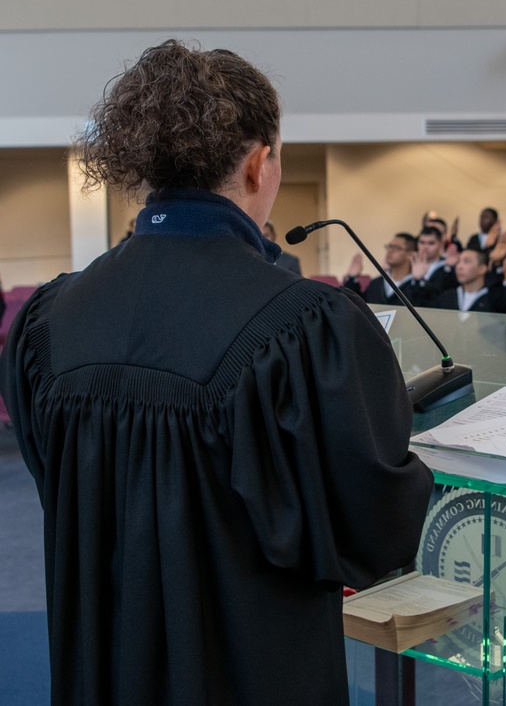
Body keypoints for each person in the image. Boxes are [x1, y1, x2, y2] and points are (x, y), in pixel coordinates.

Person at [0, 40, 433, 705]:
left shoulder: (48, 320)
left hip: (100, 666)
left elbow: (60, 481)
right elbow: (375, 532)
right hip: (251, 672)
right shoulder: (307, 324)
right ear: (260, 164)